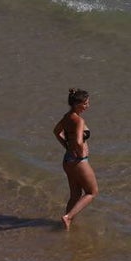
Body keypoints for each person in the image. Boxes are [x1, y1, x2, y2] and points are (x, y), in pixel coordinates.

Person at [52, 88, 98, 229]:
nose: (87, 106)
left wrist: (66, 146)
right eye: (85, 103)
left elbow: (56, 131)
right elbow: (78, 141)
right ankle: (68, 217)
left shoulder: (67, 117)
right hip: (79, 161)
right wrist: (80, 153)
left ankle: (67, 224)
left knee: (75, 195)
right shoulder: (79, 120)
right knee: (92, 192)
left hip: (68, 160)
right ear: (78, 104)